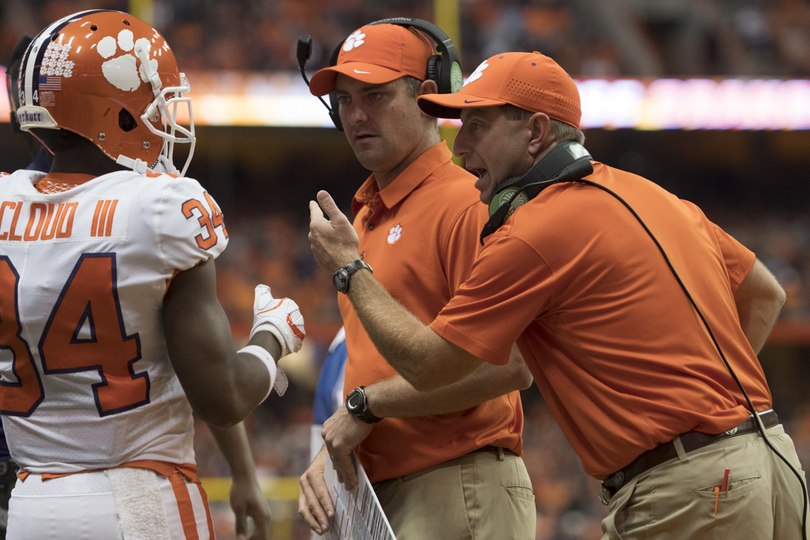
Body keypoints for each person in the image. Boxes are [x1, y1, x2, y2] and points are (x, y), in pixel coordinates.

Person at [309, 50, 808, 540]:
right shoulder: (655, 195)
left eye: (478, 127)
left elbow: (428, 364)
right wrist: (713, 415)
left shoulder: (532, 230)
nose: (461, 148)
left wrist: (350, 269)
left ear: (536, 132)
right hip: (771, 461)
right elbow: (765, 295)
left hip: (690, 488)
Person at [1, 10, 305, 540]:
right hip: (140, 498)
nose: (163, 117)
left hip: (32, 501)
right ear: (115, 112)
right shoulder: (160, 209)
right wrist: (273, 336)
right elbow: (223, 395)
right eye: (154, 101)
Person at [297, 21, 535, 540]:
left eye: (376, 95)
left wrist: (367, 406)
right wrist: (334, 449)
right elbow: (375, 370)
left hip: (458, 478)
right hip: (383, 493)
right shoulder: (360, 219)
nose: (355, 114)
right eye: (344, 98)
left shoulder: (466, 202)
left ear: (428, 98)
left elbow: (514, 364)